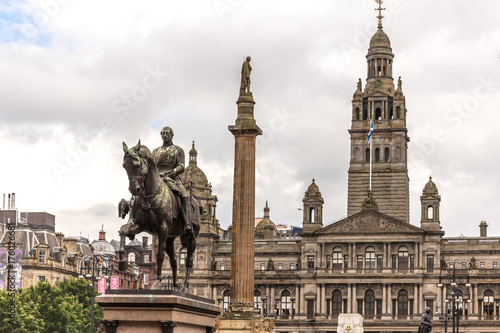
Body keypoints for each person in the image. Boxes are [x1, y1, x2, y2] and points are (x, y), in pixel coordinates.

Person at [152, 126, 193, 235]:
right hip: (156, 178)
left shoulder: (178, 150)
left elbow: (181, 166)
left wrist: (172, 173)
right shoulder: (155, 151)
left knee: (184, 195)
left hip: (172, 177)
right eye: (163, 133)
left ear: (171, 135)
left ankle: (187, 223)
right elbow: (151, 167)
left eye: (167, 133)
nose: (165, 135)